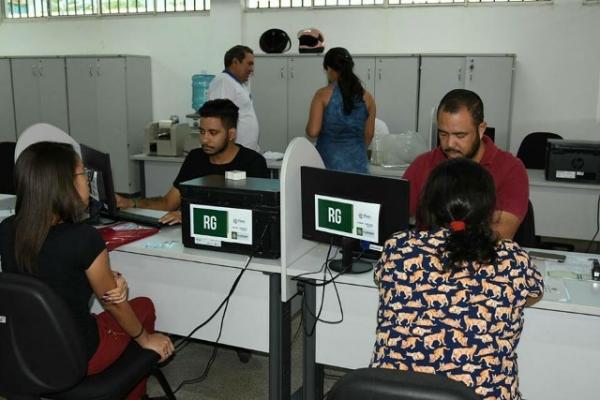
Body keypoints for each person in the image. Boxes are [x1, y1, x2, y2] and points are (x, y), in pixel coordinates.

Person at [0, 142, 174, 400]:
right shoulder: (82, 239)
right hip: (77, 355)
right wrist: (145, 339)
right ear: (65, 184)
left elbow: (49, 275)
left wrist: (111, 280)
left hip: (23, 349)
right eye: (83, 174)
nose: (87, 181)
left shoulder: (7, 228)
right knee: (144, 307)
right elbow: (112, 304)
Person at [371, 158, 544, 400]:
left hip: (391, 395)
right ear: (489, 208)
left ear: (428, 204)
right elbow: (534, 294)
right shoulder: (514, 259)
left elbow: (382, 281)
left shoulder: (398, 246)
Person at [116, 99, 269, 225]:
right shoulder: (196, 158)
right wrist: (131, 203)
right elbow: (168, 203)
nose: (204, 139)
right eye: (202, 132)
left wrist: (191, 217)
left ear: (231, 134)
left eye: (213, 133)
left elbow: (251, 214)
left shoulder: (253, 163)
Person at [403, 89, 528, 240]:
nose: (449, 143)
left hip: (482, 259)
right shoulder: (423, 163)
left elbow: (503, 233)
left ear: (481, 129)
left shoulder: (510, 168)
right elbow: (396, 216)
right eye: (443, 134)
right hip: (428, 259)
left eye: (460, 135)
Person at [306, 47, 376, 174]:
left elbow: (313, 131)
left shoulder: (322, 94)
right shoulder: (368, 97)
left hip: (329, 164)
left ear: (328, 68)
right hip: (358, 165)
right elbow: (369, 135)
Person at [207, 45, 260, 152]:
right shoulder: (223, 82)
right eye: (249, 64)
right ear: (235, 62)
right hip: (233, 154)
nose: (251, 69)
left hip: (245, 151)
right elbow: (219, 121)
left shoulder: (240, 84)